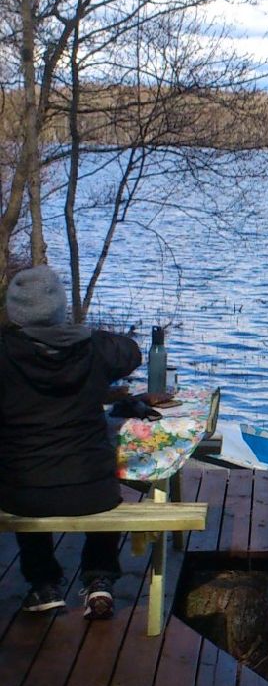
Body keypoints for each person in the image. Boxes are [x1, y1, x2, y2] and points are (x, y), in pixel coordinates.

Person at [0, 265, 141, 618]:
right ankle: (100, 580)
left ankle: (43, 583)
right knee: (103, 481)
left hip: (24, 491)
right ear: (61, 308)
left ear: (15, 312)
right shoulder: (94, 348)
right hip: (92, 488)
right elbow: (132, 353)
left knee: (26, 474)